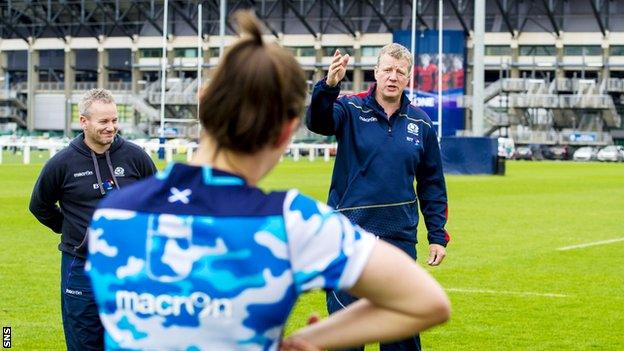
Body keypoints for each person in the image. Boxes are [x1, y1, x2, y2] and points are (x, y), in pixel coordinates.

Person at [85, 11, 450, 351]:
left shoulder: (110, 217)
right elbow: (428, 303)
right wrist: (309, 338)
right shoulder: (293, 223)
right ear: (285, 132)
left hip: (397, 231)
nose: (393, 77)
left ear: (204, 101)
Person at [305, 43, 450, 351]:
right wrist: (329, 86)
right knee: (346, 333)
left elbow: (432, 183)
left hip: (398, 240)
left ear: (409, 77)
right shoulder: (350, 108)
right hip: (348, 237)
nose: (392, 77)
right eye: (387, 70)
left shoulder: (421, 123)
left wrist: (436, 235)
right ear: (376, 73)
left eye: (400, 71)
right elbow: (318, 123)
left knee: (399, 331)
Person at [29, 88, 157, 350]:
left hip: (129, 265)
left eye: (114, 120)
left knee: (131, 340)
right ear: (84, 122)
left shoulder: (136, 157)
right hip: (80, 265)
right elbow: (39, 205)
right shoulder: (62, 163)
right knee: (83, 341)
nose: (111, 128)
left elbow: (156, 200)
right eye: (104, 121)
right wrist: (71, 229)